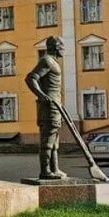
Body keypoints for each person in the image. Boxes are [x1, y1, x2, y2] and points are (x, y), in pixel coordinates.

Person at [25, 37, 70, 180]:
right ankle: (45, 171)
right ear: (56, 47)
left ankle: (54, 169)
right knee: (48, 140)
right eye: (62, 45)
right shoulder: (46, 61)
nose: (64, 48)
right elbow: (31, 78)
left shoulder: (53, 62)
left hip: (56, 106)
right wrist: (42, 95)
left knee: (54, 140)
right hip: (49, 107)